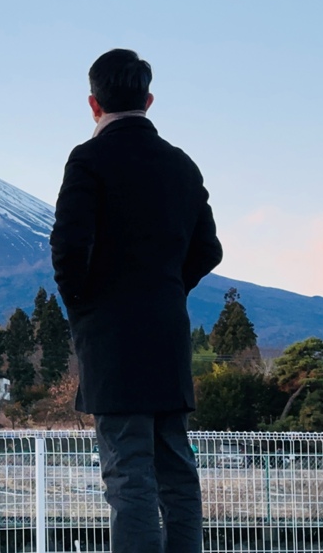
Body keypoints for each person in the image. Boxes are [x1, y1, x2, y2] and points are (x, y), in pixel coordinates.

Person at [50, 49, 223, 553]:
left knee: (129, 476)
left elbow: (69, 247)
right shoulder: (180, 164)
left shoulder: (89, 159)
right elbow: (209, 249)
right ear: (148, 100)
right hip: (167, 332)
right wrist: (169, 287)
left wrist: (85, 303)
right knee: (177, 472)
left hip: (111, 340)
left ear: (93, 103)